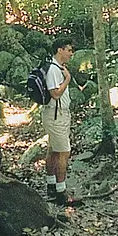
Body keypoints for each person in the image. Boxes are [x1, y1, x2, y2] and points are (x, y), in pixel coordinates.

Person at [43, 37, 79, 206]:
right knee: (64, 152)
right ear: (60, 50)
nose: (71, 53)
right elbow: (55, 93)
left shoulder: (59, 67)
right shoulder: (53, 69)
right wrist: (67, 80)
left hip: (59, 114)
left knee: (54, 150)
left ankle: (51, 185)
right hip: (55, 115)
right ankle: (61, 193)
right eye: (69, 50)